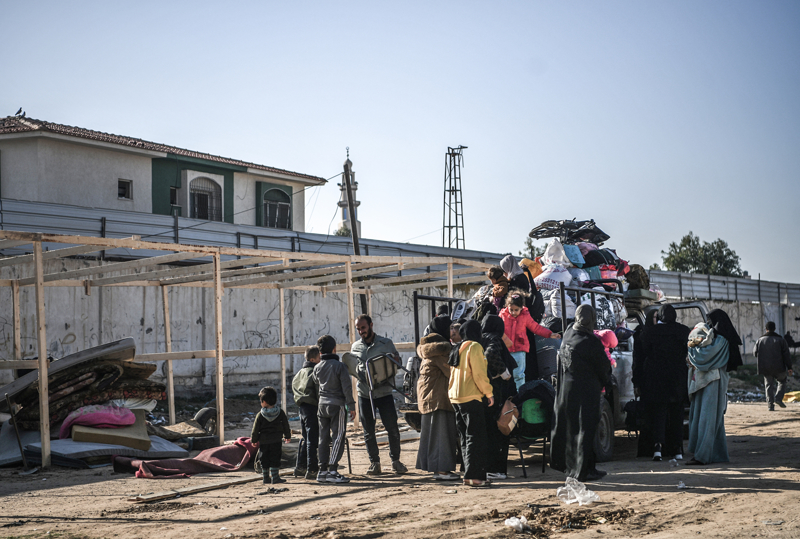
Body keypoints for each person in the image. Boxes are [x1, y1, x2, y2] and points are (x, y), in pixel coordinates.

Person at [550, 305, 611, 482]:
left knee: (572, 430)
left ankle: (578, 468)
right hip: (586, 393)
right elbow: (603, 367)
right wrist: (606, 381)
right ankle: (583, 471)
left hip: (567, 391)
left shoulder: (569, 334)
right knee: (586, 430)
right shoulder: (591, 341)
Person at [351, 314, 407, 475]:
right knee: (368, 430)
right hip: (364, 394)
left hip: (384, 393)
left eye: (363, 328)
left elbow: (397, 363)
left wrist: (395, 360)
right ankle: (374, 463)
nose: (361, 331)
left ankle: (396, 461)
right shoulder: (355, 347)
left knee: (392, 428)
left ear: (371, 325)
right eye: (358, 329)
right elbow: (353, 367)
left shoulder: (386, 344)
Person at [685, 308, 742, 465]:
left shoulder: (721, 341)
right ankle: (716, 454)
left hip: (713, 383)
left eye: (711, 320)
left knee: (708, 419)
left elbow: (703, 358)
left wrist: (691, 348)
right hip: (708, 382)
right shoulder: (717, 338)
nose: (708, 323)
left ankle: (702, 456)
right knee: (709, 419)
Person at [640, 305, 690, 461]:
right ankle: (677, 449)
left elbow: (645, 352)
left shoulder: (650, 332)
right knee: (677, 415)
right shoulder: (683, 330)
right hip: (677, 379)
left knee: (659, 414)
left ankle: (658, 448)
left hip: (657, 379)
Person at [448, 320, 494, 487]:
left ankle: (468, 475)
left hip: (455, 397)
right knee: (476, 437)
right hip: (471, 396)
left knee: (465, 437)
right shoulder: (474, 347)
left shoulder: (457, 347)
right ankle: (475, 477)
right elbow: (479, 374)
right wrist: (489, 393)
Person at [415, 328, 459, 480]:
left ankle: (437, 469)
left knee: (431, 436)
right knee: (442, 436)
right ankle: (442, 471)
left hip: (429, 400)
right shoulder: (439, 356)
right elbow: (453, 372)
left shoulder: (427, 356)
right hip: (438, 400)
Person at [312, 335, 356, 483]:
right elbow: (347, 388)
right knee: (338, 437)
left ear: (320, 352)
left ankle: (322, 471)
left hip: (322, 406)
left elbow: (315, 381)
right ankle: (332, 470)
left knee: (323, 438)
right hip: (337, 406)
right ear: (334, 349)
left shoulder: (317, 367)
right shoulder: (340, 366)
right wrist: (351, 406)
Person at [481, 314, 517, 480]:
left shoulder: (480, 340)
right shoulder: (494, 339)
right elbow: (491, 355)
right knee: (499, 431)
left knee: (487, 431)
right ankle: (496, 469)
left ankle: (487, 467)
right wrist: (503, 373)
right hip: (497, 393)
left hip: (484, 393)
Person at [499, 292, 558, 389]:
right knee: (506, 375)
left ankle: (520, 394)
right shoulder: (502, 315)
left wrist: (549, 334)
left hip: (520, 349)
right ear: (507, 306)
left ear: (521, 308)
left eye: (516, 310)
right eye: (511, 310)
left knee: (519, 375)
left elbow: (536, 327)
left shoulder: (525, 316)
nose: (513, 312)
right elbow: (498, 329)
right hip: (506, 350)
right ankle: (509, 394)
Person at [250, 386, 291, 484]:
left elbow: (255, 429)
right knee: (275, 458)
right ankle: (275, 478)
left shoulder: (260, 415)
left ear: (264, 402)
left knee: (264, 459)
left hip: (264, 442)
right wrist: (287, 436)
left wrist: (254, 440)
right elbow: (286, 425)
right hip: (276, 440)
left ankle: (265, 478)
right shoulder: (280, 413)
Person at [291, 345, 320, 479]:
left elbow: (294, 389)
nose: (321, 360)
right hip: (313, 408)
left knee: (306, 438)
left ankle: (300, 467)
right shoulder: (314, 373)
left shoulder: (299, 374)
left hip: (302, 409)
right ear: (313, 359)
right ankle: (312, 469)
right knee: (312, 440)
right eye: (319, 358)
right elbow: (318, 391)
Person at [754, 321, 793, 411]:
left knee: (768, 385)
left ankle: (770, 406)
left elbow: (755, 353)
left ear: (766, 329)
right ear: (775, 329)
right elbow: (786, 355)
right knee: (782, 381)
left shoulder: (760, 340)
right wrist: (789, 367)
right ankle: (778, 398)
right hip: (779, 367)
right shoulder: (781, 340)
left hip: (766, 367)